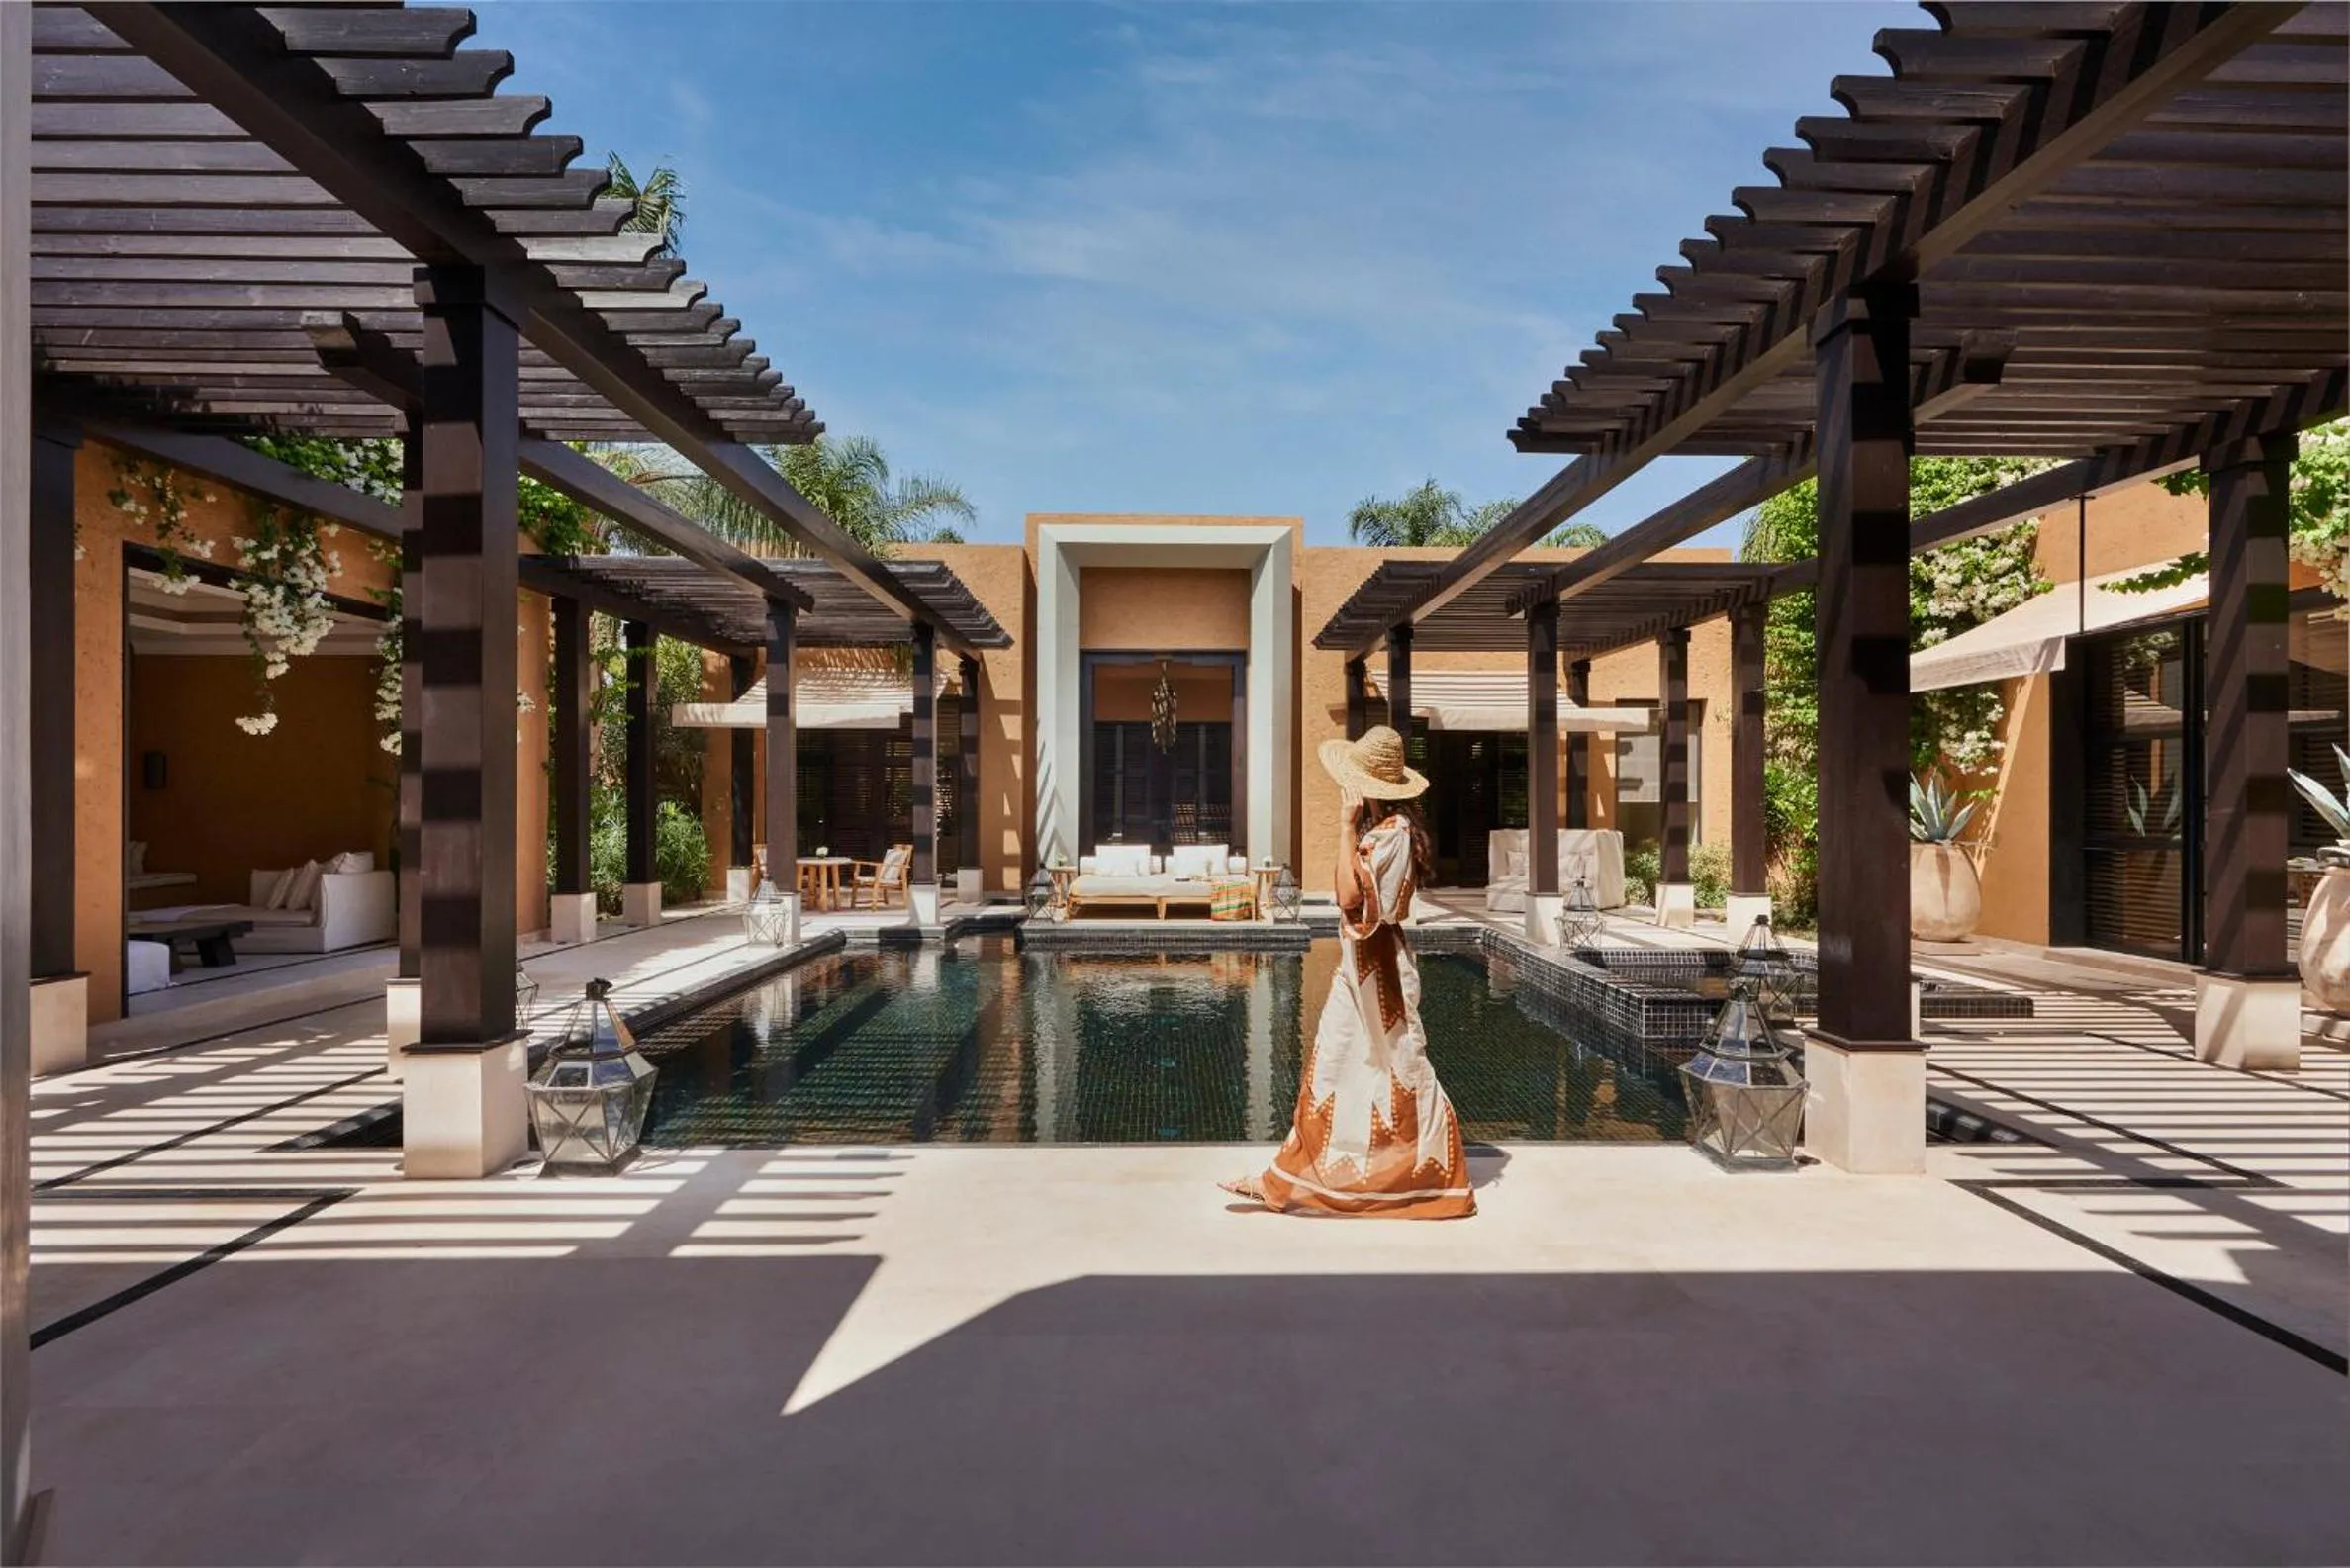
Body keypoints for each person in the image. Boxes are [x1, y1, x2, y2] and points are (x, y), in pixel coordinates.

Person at [1222, 725, 1475, 1219]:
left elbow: (1348, 899)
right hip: (1358, 968)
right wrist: (1351, 832)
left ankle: (1434, 1172)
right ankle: (1285, 1179)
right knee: (1334, 1063)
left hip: (1378, 973)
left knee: (1400, 1066)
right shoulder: (1378, 833)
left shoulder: (1391, 835)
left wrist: (1342, 828)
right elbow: (1350, 894)